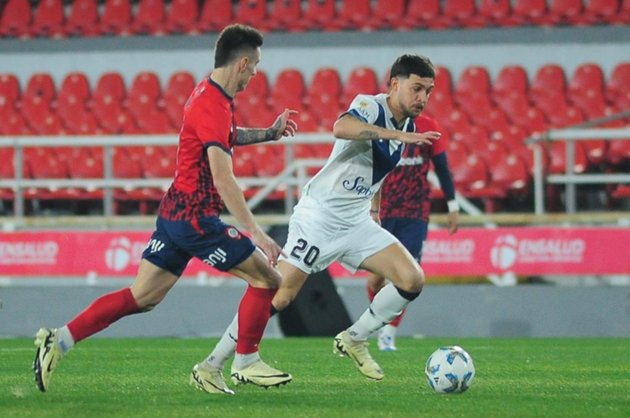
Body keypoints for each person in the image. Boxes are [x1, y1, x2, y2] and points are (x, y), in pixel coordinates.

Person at [33, 24, 298, 395]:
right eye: (254, 66)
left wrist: (267, 134)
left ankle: (59, 340)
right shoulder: (213, 103)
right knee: (268, 278)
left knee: (142, 297)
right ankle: (245, 361)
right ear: (241, 63)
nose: (255, 74)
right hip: (196, 218)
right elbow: (224, 178)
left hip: (175, 210)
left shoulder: (208, 92)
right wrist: (256, 232)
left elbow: (227, 134)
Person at [201, 54, 441, 385]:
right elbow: (341, 127)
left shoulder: (408, 126)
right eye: (417, 89)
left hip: (356, 222)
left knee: (412, 279)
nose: (423, 98)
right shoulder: (371, 107)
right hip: (320, 217)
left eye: (428, 91)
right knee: (279, 295)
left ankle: (355, 338)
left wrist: (375, 209)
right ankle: (211, 365)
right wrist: (394, 136)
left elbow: (377, 172)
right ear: (395, 83)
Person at [367, 112, 459, 352]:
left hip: (414, 215)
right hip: (382, 213)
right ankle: (378, 322)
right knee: (375, 280)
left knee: (406, 277)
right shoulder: (382, 126)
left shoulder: (429, 126)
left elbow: (442, 167)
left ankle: (388, 334)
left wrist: (453, 205)